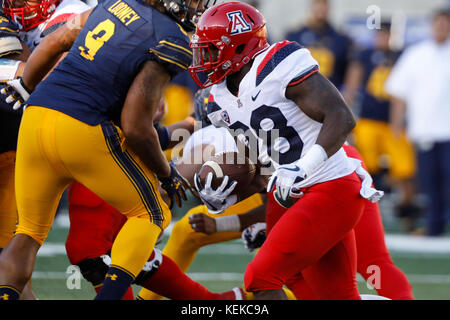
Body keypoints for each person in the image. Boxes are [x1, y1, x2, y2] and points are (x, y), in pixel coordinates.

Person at [0, 0, 210, 300]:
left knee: (27, 234)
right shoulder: (170, 39)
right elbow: (136, 128)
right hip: (83, 129)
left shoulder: (112, 4)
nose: (195, 6)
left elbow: (55, 41)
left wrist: (23, 85)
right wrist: (167, 174)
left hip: (35, 117)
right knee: (151, 214)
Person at [188, 1, 381, 300]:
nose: (204, 57)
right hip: (294, 194)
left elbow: (342, 117)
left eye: (212, 49)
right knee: (334, 294)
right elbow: (260, 166)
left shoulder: (278, 64)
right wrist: (225, 196)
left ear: (238, 47)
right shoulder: (217, 99)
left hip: (331, 185)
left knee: (261, 277)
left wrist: (303, 167)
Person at [0, 0, 91, 300]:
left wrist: (21, 65)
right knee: (9, 263)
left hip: (63, 137)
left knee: (89, 248)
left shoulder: (70, 12)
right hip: (19, 140)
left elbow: (53, 76)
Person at [343, 21, 420, 232]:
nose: (384, 39)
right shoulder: (365, 55)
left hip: (395, 124)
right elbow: (351, 86)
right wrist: (344, 116)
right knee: (365, 167)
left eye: (387, 35)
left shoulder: (403, 56)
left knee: (405, 170)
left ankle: (408, 215)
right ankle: (363, 212)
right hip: (369, 121)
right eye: (381, 34)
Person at [385, 8, 450, 236]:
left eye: (446, 23)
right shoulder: (416, 54)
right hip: (424, 130)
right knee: (429, 183)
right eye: (438, 23)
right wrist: (395, 125)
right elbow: (398, 92)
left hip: (448, 133)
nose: (442, 27)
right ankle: (434, 227)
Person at [285, 0, 352, 89]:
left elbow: (352, 67)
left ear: (329, 8)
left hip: (329, 95)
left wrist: (347, 96)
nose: (320, 8)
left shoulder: (340, 39)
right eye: (317, 3)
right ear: (311, 6)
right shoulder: (294, 35)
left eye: (324, 4)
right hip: (299, 94)